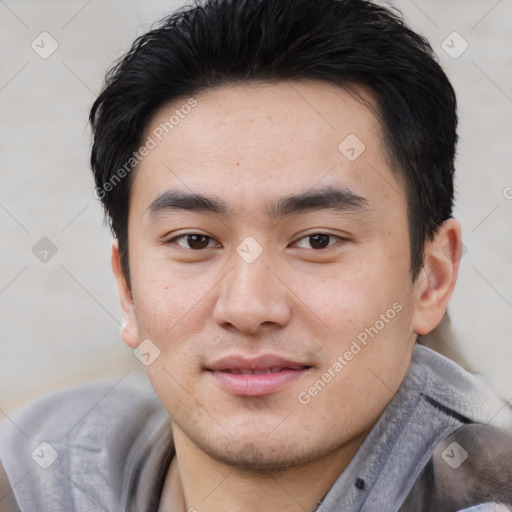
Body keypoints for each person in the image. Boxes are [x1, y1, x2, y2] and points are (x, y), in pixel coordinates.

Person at [1, 0, 511, 510]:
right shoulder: (39, 471)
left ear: (432, 279)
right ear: (127, 288)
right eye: (195, 241)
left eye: (317, 240)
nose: (248, 308)